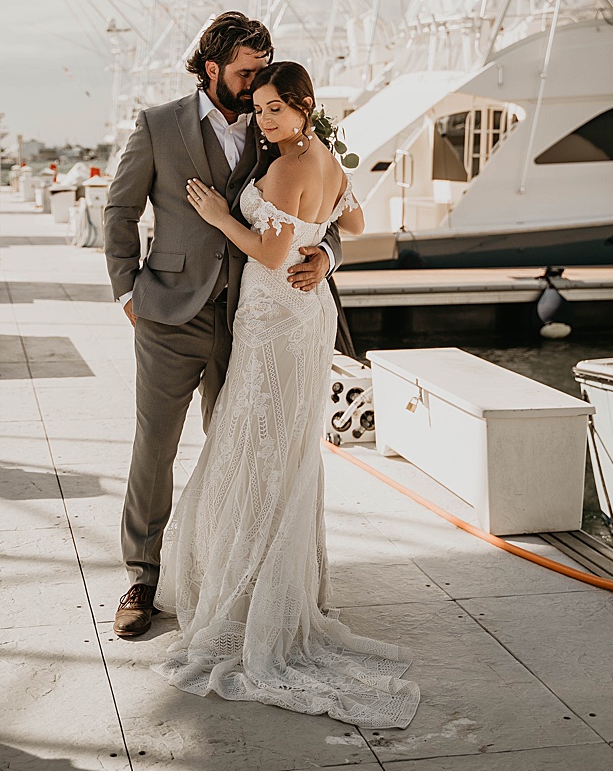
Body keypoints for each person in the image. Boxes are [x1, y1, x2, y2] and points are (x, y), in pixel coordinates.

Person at [160, 60, 419, 727]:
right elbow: (354, 226)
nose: (266, 119)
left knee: (260, 448)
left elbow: (269, 254)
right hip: (303, 320)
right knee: (282, 450)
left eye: (278, 108)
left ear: (305, 106)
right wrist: (322, 249)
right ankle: (273, 583)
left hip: (275, 320)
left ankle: (255, 596)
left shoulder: (282, 167)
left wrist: (220, 215)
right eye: (263, 109)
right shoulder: (324, 155)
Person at [104, 13, 339, 639]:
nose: (256, 81)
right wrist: (126, 289)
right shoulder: (158, 125)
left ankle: (234, 572)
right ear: (211, 68)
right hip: (168, 313)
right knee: (155, 445)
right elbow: (120, 209)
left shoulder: (275, 125)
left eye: (263, 70)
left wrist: (324, 254)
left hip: (250, 317)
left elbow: (324, 203)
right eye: (244, 71)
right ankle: (142, 574)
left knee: (241, 446)